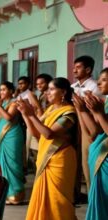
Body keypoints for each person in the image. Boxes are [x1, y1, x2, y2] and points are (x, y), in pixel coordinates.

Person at [18, 77, 77, 220]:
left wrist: (32, 114)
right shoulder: (50, 109)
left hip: (60, 159)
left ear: (63, 92)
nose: (47, 93)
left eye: (51, 89)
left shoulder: (69, 113)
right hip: (46, 158)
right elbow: (37, 133)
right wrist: (26, 115)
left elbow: (49, 134)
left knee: (58, 200)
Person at [73, 68, 108, 220]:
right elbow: (94, 132)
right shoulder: (105, 102)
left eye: (104, 79)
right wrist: (82, 110)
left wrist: (98, 112)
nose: (99, 83)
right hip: (100, 156)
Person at [0, 81, 25, 204]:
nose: (1, 92)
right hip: (2, 135)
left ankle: (16, 193)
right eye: (0, 90)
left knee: (12, 163)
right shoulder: (4, 103)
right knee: (2, 163)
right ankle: (6, 192)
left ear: (11, 91)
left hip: (12, 136)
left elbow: (8, 117)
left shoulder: (14, 102)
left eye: (4, 89)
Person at [71, 55, 99, 193]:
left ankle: (91, 194)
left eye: (78, 67)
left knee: (88, 165)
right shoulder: (72, 87)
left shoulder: (94, 87)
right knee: (74, 163)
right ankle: (75, 193)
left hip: (89, 129)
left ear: (88, 70)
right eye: (74, 67)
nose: (74, 70)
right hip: (74, 128)